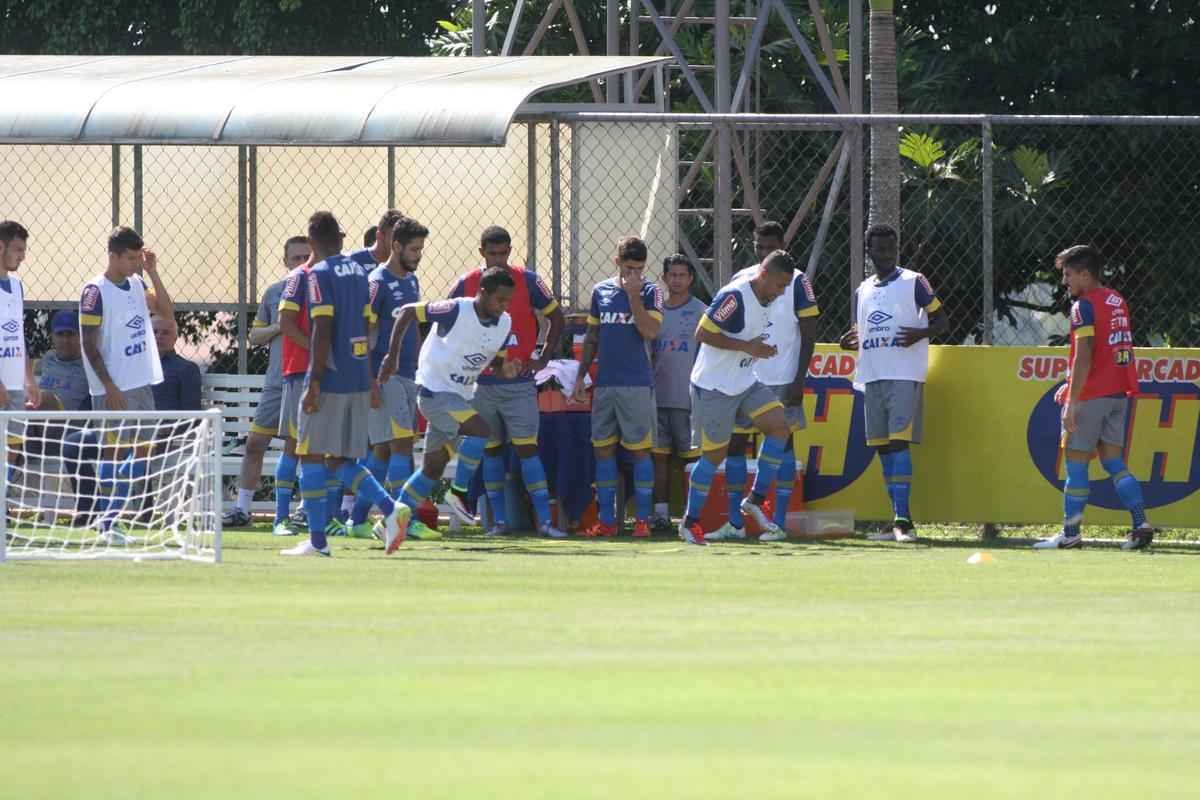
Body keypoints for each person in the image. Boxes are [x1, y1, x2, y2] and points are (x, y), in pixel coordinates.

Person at [280, 211, 406, 558]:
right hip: (357, 381)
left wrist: (314, 380)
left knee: (312, 457)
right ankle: (392, 508)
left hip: (331, 378)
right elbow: (367, 329)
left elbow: (322, 329)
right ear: (340, 237)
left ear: (311, 241)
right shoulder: (359, 273)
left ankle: (318, 542)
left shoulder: (317, 274)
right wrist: (369, 379)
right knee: (342, 460)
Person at [447, 226, 566, 539]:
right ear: (482, 252)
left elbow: (557, 316)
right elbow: (444, 322)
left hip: (519, 384)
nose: (498, 259)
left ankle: (545, 522)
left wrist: (542, 356)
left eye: (503, 253)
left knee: (528, 450)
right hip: (480, 385)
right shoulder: (466, 283)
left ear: (510, 250)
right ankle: (498, 523)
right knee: (492, 451)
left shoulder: (527, 279)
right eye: (492, 253)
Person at [380, 267, 518, 536]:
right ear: (482, 293)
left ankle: (389, 525)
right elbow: (409, 311)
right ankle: (458, 493)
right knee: (481, 431)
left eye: (507, 300)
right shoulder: (456, 310)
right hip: (434, 392)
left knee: (433, 467)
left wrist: (506, 370)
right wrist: (392, 355)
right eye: (499, 299)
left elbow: (497, 363)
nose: (503, 306)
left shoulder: (504, 323)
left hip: (460, 396)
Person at [1034, 245, 1155, 551]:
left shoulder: (1082, 307)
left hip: (1092, 396)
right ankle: (1141, 524)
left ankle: (1070, 534)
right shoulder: (1117, 300)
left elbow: (1085, 355)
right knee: (1115, 462)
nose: (1065, 282)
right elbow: (1108, 350)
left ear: (1085, 274)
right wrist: (1071, 382)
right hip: (1117, 394)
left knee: (1076, 466)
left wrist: (1073, 401)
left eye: (1068, 275)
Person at [677, 251, 797, 546]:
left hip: (744, 382)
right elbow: (702, 332)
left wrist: (758, 349)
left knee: (780, 427)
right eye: (779, 285)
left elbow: (751, 340)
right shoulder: (735, 296)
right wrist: (749, 348)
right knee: (713, 456)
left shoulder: (767, 297)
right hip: (714, 386)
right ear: (764, 275)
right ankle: (689, 523)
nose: (782, 292)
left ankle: (754, 500)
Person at [710, 222, 821, 541]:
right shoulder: (741, 278)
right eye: (758, 247)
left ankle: (780, 523)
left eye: (769, 247)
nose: (762, 253)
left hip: (781, 378)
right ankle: (735, 522)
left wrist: (799, 379)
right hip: (742, 376)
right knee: (734, 445)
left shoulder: (798, 280)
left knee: (784, 445)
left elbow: (809, 332)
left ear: (782, 245)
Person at [838, 224, 948, 543]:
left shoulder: (914, 281)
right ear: (869, 251)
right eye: (880, 248)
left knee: (899, 443)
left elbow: (942, 320)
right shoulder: (863, 289)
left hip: (904, 374)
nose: (885, 254)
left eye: (890, 248)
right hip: (871, 375)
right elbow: (864, 331)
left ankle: (904, 522)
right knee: (883, 448)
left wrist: (920, 333)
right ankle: (897, 518)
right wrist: (852, 342)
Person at [78, 226, 174, 543]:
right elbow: (88, 344)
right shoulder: (94, 291)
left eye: (138, 257)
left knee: (143, 453)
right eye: (130, 258)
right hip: (113, 389)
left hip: (141, 382)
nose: (135, 263)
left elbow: (166, 313)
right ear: (113, 256)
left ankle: (113, 517)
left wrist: (153, 272)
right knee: (114, 453)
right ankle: (107, 523)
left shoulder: (136, 283)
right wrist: (109, 386)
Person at [571, 236, 663, 538]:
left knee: (639, 452)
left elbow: (650, 331)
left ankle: (642, 522)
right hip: (606, 384)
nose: (632, 274)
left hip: (636, 384)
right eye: (628, 267)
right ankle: (608, 521)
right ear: (617, 262)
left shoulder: (650, 292)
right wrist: (581, 376)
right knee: (603, 450)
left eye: (638, 268)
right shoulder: (601, 291)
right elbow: (593, 337)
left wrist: (634, 296)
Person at [349, 216, 431, 538]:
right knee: (400, 446)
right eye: (414, 249)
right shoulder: (376, 282)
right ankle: (402, 522)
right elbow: (362, 332)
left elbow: (414, 329)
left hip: (409, 373)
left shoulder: (411, 281)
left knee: (382, 450)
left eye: (421, 249)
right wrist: (369, 380)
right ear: (395, 246)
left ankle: (356, 522)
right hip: (386, 376)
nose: (418, 255)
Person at [223, 235, 310, 527]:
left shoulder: (319, 290)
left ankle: (297, 511)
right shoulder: (274, 293)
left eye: (305, 257)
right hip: (276, 381)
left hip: (303, 380)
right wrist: (280, 325)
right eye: (295, 257)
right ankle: (242, 509)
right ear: (285, 261)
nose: (300, 262)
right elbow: (255, 336)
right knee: (255, 443)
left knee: (295, 446)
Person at [649, 253, 705, 531]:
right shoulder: (654, 310)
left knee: (691, 459)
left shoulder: (701, 312)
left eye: (682, 275)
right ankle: (660, 515)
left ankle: (692, 514)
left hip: (688, 399)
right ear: (664, 278)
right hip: (658, 397)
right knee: (659, 457)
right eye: (672, 275)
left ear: (691, 278)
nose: (677, 280)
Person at [0, 221, 40, 464]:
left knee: (12, 449)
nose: (23, 257)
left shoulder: (16, 286)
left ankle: (3, 499)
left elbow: (18, 336)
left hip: (15, 384)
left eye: (24, 250)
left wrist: (29, 379)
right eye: (18, 250)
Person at [150, 317, 201, 411]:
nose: (159, 336)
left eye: (165, 333)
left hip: (168, 425)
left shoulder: (187, 369)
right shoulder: (137, 366)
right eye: (154, 332)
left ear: (175, 339)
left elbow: (192, 414)